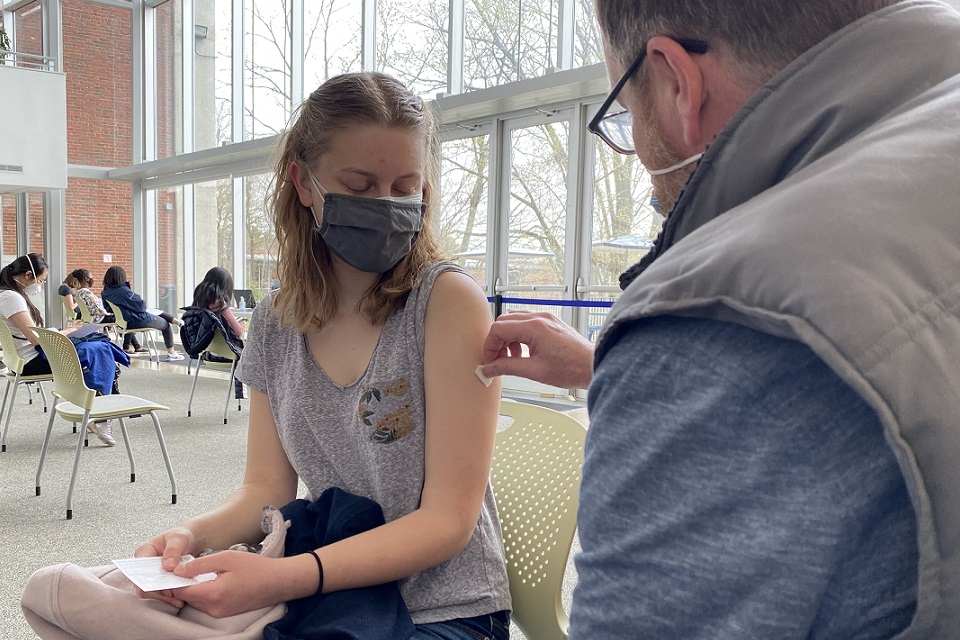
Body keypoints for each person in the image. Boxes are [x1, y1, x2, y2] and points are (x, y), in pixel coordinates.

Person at [482, 0, 960, 637]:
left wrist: (664, 367)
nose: (638, 156)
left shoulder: (712, 328)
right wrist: (600, 369)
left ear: (677, 81)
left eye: (625, 114)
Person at [133, 72, 511, 638]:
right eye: (359, 186)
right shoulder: (276, 321)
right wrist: (193, 535)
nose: (385, 205)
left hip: (444, 610)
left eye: (406, 187)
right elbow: (266, 489)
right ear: (303, 183)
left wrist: (287, 579)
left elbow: (448, 523)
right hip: (331, 589)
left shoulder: (447, 303)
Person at [0, 255, 120, 446]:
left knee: (97, 347)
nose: (41, 284)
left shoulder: (7, 295)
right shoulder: (11, 298)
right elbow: (35, 339)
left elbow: (29, 334)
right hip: (33, 360)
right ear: (27, 275)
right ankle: (98, 415)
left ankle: (95, 409)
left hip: (23, 358)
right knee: (100, 349)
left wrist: (63, 332)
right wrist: (65, 332)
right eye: (40, 280)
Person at [182, 266, 246, 399]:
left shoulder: (198, 307)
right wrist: (241, 326)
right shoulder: (220, 305)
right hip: (229, 356)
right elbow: (239, 333)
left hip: (206, 354)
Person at [101, 266, 184, 361]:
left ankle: (177, 322)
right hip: (138, 320)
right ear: (121, 277)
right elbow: (141, 306)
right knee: (165, 324)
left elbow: (109, 309)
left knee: (155, 310)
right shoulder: (124, 292)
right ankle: (171, 352)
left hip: (124, 322)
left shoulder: (105, 293)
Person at [71, 268, 146, 354]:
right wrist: (108, 312)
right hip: (100, 317)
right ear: (86, 279)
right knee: (128, 317)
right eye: (91, 277)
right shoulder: (86, 292)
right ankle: (127, 346)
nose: (93, 279)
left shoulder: (79, 292)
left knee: (123, 317)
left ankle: (136, 346)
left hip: (94, 317)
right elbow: (98, 308)